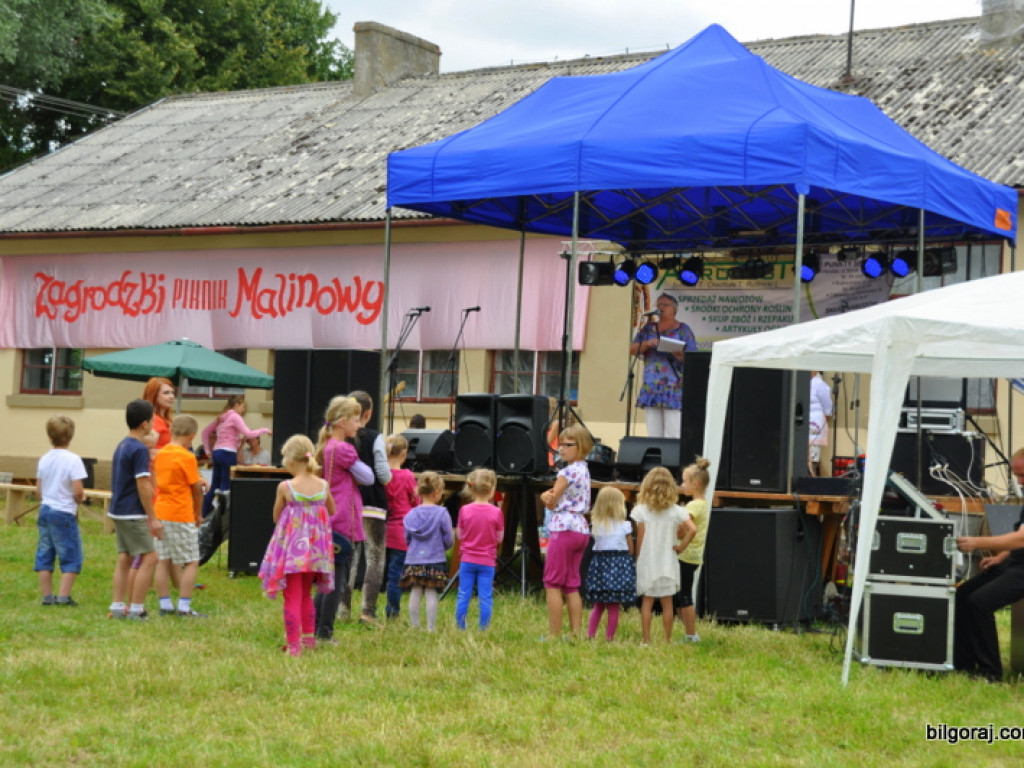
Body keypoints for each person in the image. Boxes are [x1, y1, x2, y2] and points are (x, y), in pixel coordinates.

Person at [258, 435, 335, 656]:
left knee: (291, 596)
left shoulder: (286, 487)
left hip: (293, 551)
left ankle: (294, 646)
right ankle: (309, 640)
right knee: (305, 595)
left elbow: (275, 516)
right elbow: (331, 510)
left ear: (291, 460)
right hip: (315, 551)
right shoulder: (323, 485)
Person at [954, 448, 1024, 682]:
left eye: (1023, 475)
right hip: (1015, 563)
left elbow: (1021, 539)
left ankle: (990, 672)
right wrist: (1001, 557)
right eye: (1016, 476)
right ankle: (963, 662)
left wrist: (977, 542)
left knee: (979, 602)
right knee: (963, 593)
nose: (1019, 482)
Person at [312, 397, 372, 641]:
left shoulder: (326, 446)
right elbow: (368, 477)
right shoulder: (344, 449)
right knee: (337, 580)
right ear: (342, 422)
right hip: (343, 520)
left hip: (328, 516)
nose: (359, 426)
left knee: (326, 578)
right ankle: (325, 632)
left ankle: (315, 626)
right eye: (356, 420)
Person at [108, 399, 163, 620]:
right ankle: (137, 609)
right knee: (150, 557)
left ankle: (118, 606)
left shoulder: (123, 444)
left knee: (125, 558)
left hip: (118, 510)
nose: (153, 424)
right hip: (133, 512)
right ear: (144, 424)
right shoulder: (139, 449)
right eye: (151, 420)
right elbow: (143, 485)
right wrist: (153, 518)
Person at [539, 423, 593, 639]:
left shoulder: (567, 471)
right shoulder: (584, 469)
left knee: (552, 583)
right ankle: (576, 633)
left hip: (563, 528)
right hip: (581, 528)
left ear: (580, 446)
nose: (561, 448)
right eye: (560, 444)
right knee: (571, 584)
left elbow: (552, 500)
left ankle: (553, 635)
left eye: (567, 445)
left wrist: (545, 497)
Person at [631, 466, 696, 644]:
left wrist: (637, 558)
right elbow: (693, 529)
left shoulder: (641, 511)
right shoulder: (677, 511)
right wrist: (682, 546)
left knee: (647, 602)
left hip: (648, 562)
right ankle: (666, 639)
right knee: (668, 603)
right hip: (668, 563)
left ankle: (646, 640)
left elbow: (641, 538)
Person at [152, 415, 206, 618]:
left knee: (163, 560)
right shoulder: (187, 456)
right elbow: (195, 489)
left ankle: (165, 604)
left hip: (161, 510)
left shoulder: (162, 452)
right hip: (180, 512)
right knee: (191, 560)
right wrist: (198, 514)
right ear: (192, 436)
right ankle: (184, 606)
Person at [34, 415, 88, 607]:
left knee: (45, 552)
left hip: (45, 509)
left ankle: (48, 597)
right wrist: (81, 499)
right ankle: (64, 597)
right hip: (64, 512)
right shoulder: (73, 460)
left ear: (50, 436)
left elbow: (38, 490)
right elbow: (78, 490)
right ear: (71, 435)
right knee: (70, 553)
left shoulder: (44, 459)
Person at [348, 390, 391, 627]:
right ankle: (367, 612)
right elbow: (383, 475)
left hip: (349, 504)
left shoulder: (341, 438)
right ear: (369, 413)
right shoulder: (375, 437)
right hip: (373, 504)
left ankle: (342, 608)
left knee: (348, 558)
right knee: (375, 557)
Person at [629, 293, 697, 439]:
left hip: (673, 386)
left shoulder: (683, 329)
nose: (660, 308)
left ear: (674, 309)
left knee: (674, 433)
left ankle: (672, 461)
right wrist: (648, 343)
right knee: (654, 434)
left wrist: (679, 355)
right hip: (651, 386)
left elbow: (693, 358)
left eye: (664, 305)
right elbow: (632, 349)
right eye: (658, 305)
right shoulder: (648, 329)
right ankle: (657, 461)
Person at [201, 395, 270, 516]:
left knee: (214, 486)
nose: (243, 410)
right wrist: (264, 430)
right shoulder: (234, 416)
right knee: (225, 487)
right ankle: (223, 518)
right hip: (228, 452)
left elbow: (205, 432)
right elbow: (249, 433)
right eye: (243, 406)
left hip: (217, 452)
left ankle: (204, 514)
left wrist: (207, 450)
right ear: (237, 404)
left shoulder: (221, 417)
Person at [400, 472, 454, 631]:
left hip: (414, 559)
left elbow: (407, 538)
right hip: (435, 558)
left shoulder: (411, 514)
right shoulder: (442, 513)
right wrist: (444, 547)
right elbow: (449, 538)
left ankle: (415, 626)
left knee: (415, 591)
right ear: (437, 492)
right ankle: (431, 627)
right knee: (431, 593)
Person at [455, 468, 504, 631]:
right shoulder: (497, 512)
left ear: (471, 488)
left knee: (463, 594)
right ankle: (483, 628)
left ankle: (461, 626)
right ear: (492, 489)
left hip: (467, 559)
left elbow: (460, 534)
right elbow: (500, 538)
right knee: (485, 596)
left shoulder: (464, 510)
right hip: (487, 561)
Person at [584, 486, 635, 641]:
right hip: (619, 567)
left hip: (600, 565)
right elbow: (631, 550)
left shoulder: (596, 525)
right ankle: (609, 638)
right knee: (614, 606)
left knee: (598, 605)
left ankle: (590, 635)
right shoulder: (625, 526)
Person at [674, 457, 712, 643]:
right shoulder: (703, 503)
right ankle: (688, 631)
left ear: (695, 484)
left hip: (686, 556)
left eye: (684, 481)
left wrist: (679, 541)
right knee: (682, 594)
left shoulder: (693, 505)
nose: (682, 485)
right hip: (694, 556)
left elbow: (687, 527)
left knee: (685, 595)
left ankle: (691, 634)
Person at [384, 434, 418, 620]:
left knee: (384, 571)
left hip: (383, 529)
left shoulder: (382, 476)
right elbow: (416, 500)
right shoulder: (407, 476)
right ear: (404, 453)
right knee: (395, 575)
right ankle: (393, 611)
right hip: (401, 531)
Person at [808, 371, 833, 476]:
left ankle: (811, 473)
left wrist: (826, 413)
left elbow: (827, 405)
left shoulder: (819, 384)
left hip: (815, 420)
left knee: (813, 452)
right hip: (802, 419)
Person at [141, 377, 175, 450]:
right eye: (166, 393)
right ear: (154, 396)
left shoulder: (167, 419)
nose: (171, 396)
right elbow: (148, 450)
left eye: (172, 392)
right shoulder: (153, 419)